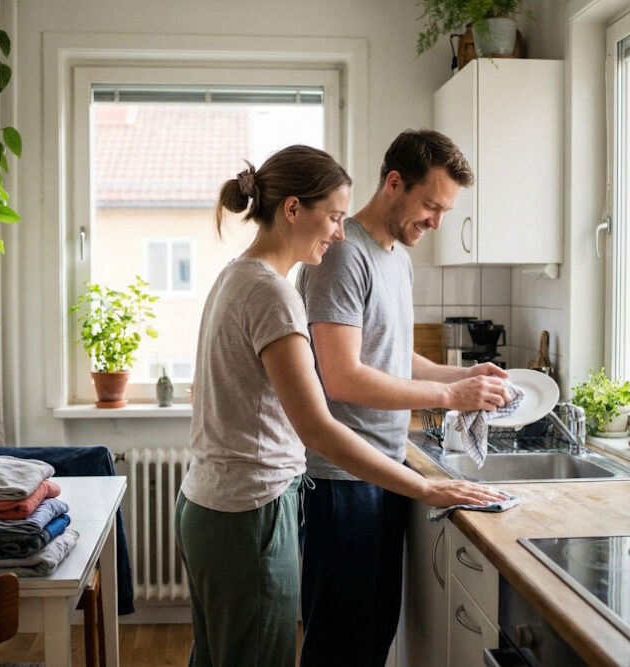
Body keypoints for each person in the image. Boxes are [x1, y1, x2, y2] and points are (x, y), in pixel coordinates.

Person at [174, 144, 508, 667]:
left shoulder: (239, 277)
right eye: (331, 217)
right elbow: (321, 424)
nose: (338, 230)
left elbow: (381, 353)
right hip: (252, 509)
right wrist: (426, 482)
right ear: (291, 210)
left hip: (217, 503)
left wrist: (460, 377)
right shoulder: (274, 293)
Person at [295, 129, 512, 667]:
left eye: (445, 210)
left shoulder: (396, 257)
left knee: (371, 640)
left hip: (382, 472)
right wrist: (447, 393)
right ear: (394, 183)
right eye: (431, 205)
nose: (437, 222)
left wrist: (461, 378)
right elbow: (342, 376)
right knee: (339, 647)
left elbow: (390, 356)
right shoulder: (343, 256)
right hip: (340, 481)